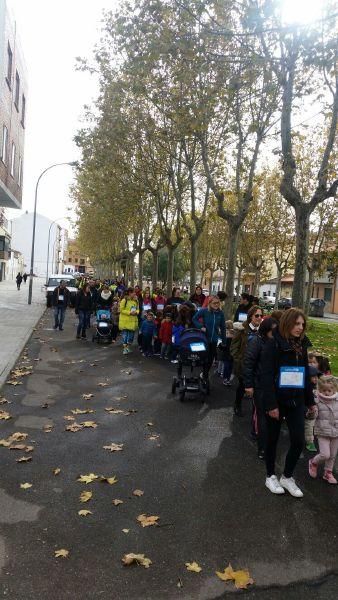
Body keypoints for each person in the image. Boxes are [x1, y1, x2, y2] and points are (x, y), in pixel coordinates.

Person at [261, 308, 317, 497]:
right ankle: (270, 476)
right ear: (287, 323)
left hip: (296, 400)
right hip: (276, 400)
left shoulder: (301, 345)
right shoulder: (273, 345)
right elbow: (266, 376)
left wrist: (310, 401)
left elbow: (305, 376)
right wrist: (271, 405)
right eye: (297, 324)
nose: (300, 328)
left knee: (298, 440)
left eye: (302, 324)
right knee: (272, 439)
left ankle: (287, 476)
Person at [243, 317, 278, 459]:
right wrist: (249, 385)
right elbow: (248, 363)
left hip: (273, 385)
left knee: (272, 417)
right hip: (259, 385)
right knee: (263, 416)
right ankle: (262, 448)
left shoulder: (276, 342)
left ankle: (270, 445)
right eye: (273, 331)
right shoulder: (257, 341)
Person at [231, 306, 263, 416]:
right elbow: (234, 347)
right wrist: (238, 359)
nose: (259, 318)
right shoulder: (242, 329)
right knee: (242, 385)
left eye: (260, 315)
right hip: (243, 364)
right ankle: (237, 405)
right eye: (257, 315)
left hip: (257, 365)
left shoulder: (263, 331)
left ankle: (255, 412)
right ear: (250, 317)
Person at [309, 375, 338, 484]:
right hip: (322, 431)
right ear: (320, 389)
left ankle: (328, 473)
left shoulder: (337, 399)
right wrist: (311, 412)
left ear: (334, 389)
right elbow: (312, 416)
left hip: (336, 431)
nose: (326, 393)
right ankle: (313, 462)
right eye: (324, 390)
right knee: (325, 454)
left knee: (333, 455)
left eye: (329, 390)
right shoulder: (317, 401)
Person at [192, 296, 226, 378]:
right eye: (214, 303)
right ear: (210, 303)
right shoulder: (204, 311)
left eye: (218, 303)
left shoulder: (220, 313)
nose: (216, 304)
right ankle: (204, 373)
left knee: (211, 358)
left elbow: (223, 327)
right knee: (204, 357)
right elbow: (194, 319)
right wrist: (200, 326)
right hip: (204, 338)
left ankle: (205, 373)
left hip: (214, 340)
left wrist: (224, 342)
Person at [119, 288, 139, 355]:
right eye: (134, 292)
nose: (135, 294)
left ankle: (128, 347)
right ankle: (125, 348)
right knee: (125, 336)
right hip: (125, 321)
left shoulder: (136, 301)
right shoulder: (124, 300)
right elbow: (121, 310)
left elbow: (138, 309)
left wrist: (136, 312)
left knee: (131, 336)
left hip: (133, 321)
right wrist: (129, 313)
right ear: (130, 293)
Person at [304, 365, 319, 452]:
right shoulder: (306, 388)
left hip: (316, 409)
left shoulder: (317, 386)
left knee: (314, 425)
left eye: (316, 376)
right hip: (309, 411)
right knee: (309, 426)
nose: (315, 379)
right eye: (313, 377)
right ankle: (309, 442)